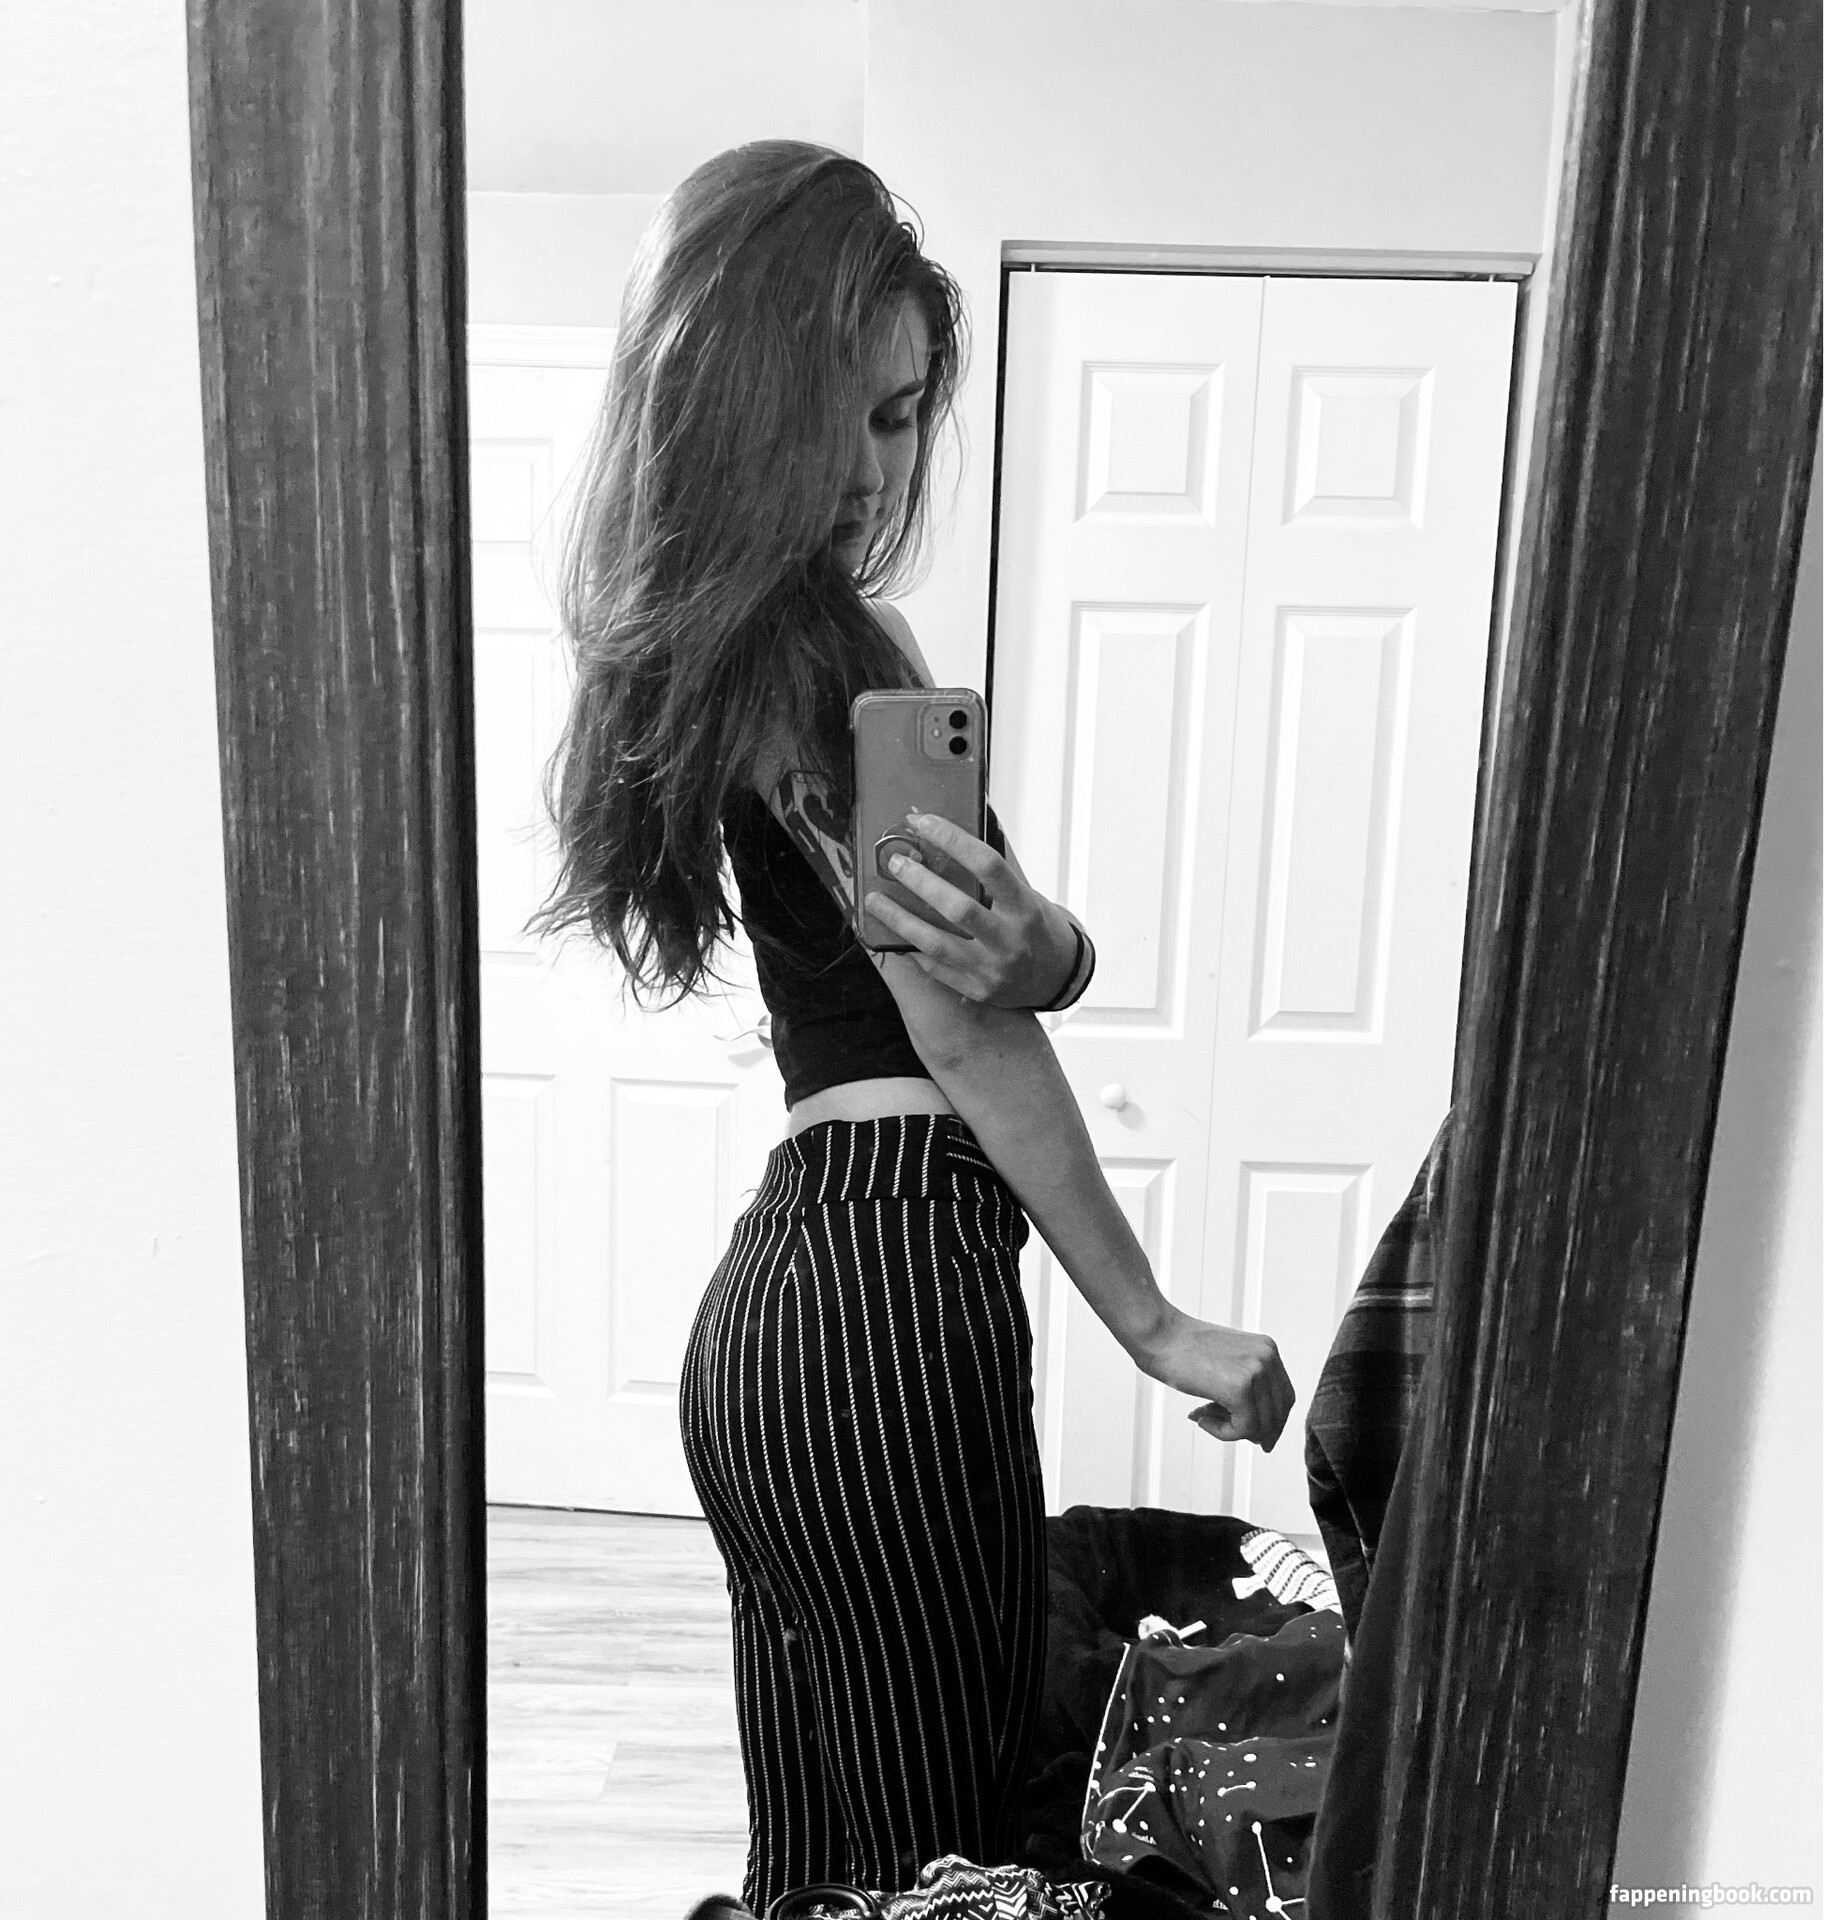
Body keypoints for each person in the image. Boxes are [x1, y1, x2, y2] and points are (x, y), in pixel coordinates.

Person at [534, 140, 1295, 1916]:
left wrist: (1055, 950)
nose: (876, 468)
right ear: (738, 405)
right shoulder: (835, 659)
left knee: (826, 1872)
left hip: (781, 1318)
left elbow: (981, 974)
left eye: (899, 418)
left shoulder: (721, 649)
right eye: (843, 415)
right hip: (886, 1299)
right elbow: (966, 1038)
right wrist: (1158, 1321)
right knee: (942, 1870)